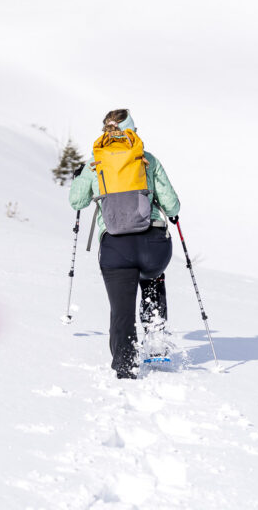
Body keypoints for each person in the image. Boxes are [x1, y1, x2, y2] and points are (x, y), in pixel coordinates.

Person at [68, 109, 180, 379]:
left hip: (116, 248)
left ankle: (126, 365)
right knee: (152, 276)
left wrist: (82, 177)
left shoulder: (96, 162)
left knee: (121, 310)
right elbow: (172, 204)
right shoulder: (147, 159)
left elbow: (77, 201)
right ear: (132, 131)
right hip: (154, 244)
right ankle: (154, 333)